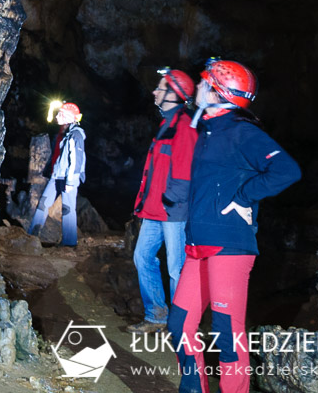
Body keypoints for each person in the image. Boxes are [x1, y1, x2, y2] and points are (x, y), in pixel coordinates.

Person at [168, 59, 301, 393]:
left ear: (218, 91)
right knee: (179, 324)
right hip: (198, 245)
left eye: (203, 83)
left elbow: (287, 170)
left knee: (227, 334)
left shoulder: (243, 132)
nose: (197, 88)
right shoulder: (208, 131)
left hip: (229, 246)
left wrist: (244, 197)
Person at [128, 67, 197, 334]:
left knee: (177, 269)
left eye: (160, 88)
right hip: (155, 210)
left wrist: (171, 201)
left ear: (174, 94)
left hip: (173, 211)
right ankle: (156, 315)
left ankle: (181, 325)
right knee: (142, 257)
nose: (155, 91)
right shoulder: (165, 125)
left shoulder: (184, 127)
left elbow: (185, 172)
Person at [27, 101, 85, 246]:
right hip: (57, 176)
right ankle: (31, 236)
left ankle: (70, 243)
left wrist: (71, 182)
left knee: (67, 209)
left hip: (67, 178)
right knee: (43, 204)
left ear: (68, 117)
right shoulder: (65, 134)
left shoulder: (76, 135)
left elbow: (76, 160)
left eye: (60, 114)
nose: (57, 116)